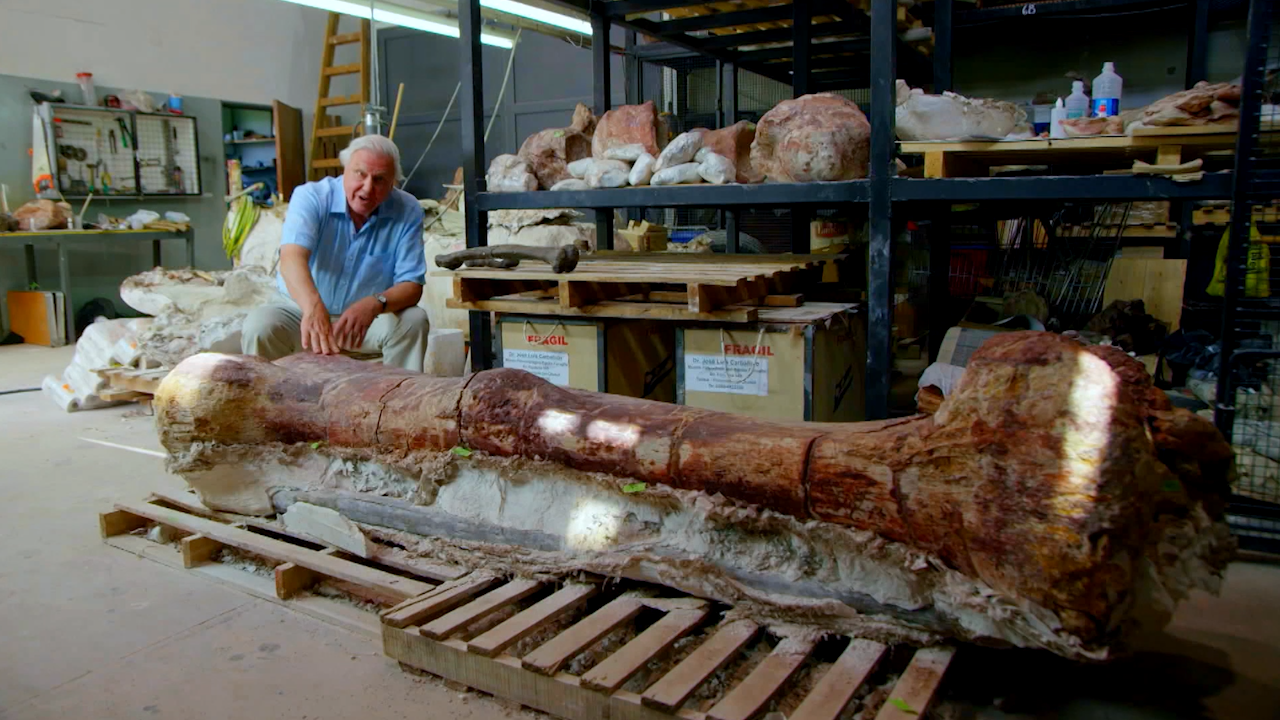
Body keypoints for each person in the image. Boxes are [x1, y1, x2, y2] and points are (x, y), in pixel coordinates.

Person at [241, 134, 430, 371]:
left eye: (380, 179)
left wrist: (375, 303)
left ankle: (400, 400)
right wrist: (312, 306)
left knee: (413, 320)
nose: (367, 188)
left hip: (365, 322)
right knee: (261, 325)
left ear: (393, 182)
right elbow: (291, 259)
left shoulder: (407, 209)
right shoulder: (312, 196)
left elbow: (412, 285)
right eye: (360, 174)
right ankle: (266, 405)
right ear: (345, 170)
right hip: (300, 312)